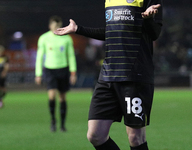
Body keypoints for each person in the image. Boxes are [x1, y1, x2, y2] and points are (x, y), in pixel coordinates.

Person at [55, 0, 162, 149]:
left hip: (134, 74)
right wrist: (78, 29)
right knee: (95, 135)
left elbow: (155, 34)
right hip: (108, 74)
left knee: (135, 138)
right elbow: (110, 32)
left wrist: (148, 18)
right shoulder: (110, 1)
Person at [35, 16, 77, 132]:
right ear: (50, 26)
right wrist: (38, 73)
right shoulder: (44, 38)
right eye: (54, 26)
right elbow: (39, 57)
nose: (56, 28)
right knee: (52, 95)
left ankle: (63, 125)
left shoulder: (67, 39)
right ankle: (53, 120)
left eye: (58, 26)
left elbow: (71, 56)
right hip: (49, 69)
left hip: (63, 69)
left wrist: (73, 72)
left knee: (62, 97)